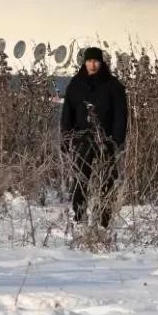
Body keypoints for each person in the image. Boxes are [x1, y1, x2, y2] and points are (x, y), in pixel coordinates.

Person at [60, 47, 128, 228]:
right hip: (83, 138)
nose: (92, 64)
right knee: (81, 178)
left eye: (96, 61)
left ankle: (104, 218)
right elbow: (67, 114)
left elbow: (121, 115)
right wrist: (66, 138)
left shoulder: (113, 85)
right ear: (84, 62)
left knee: (108, 178)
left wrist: (117, 141)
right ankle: (79, 216)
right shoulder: (76, 84)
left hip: (106, 140)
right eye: (89, 60)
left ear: (101, 62)